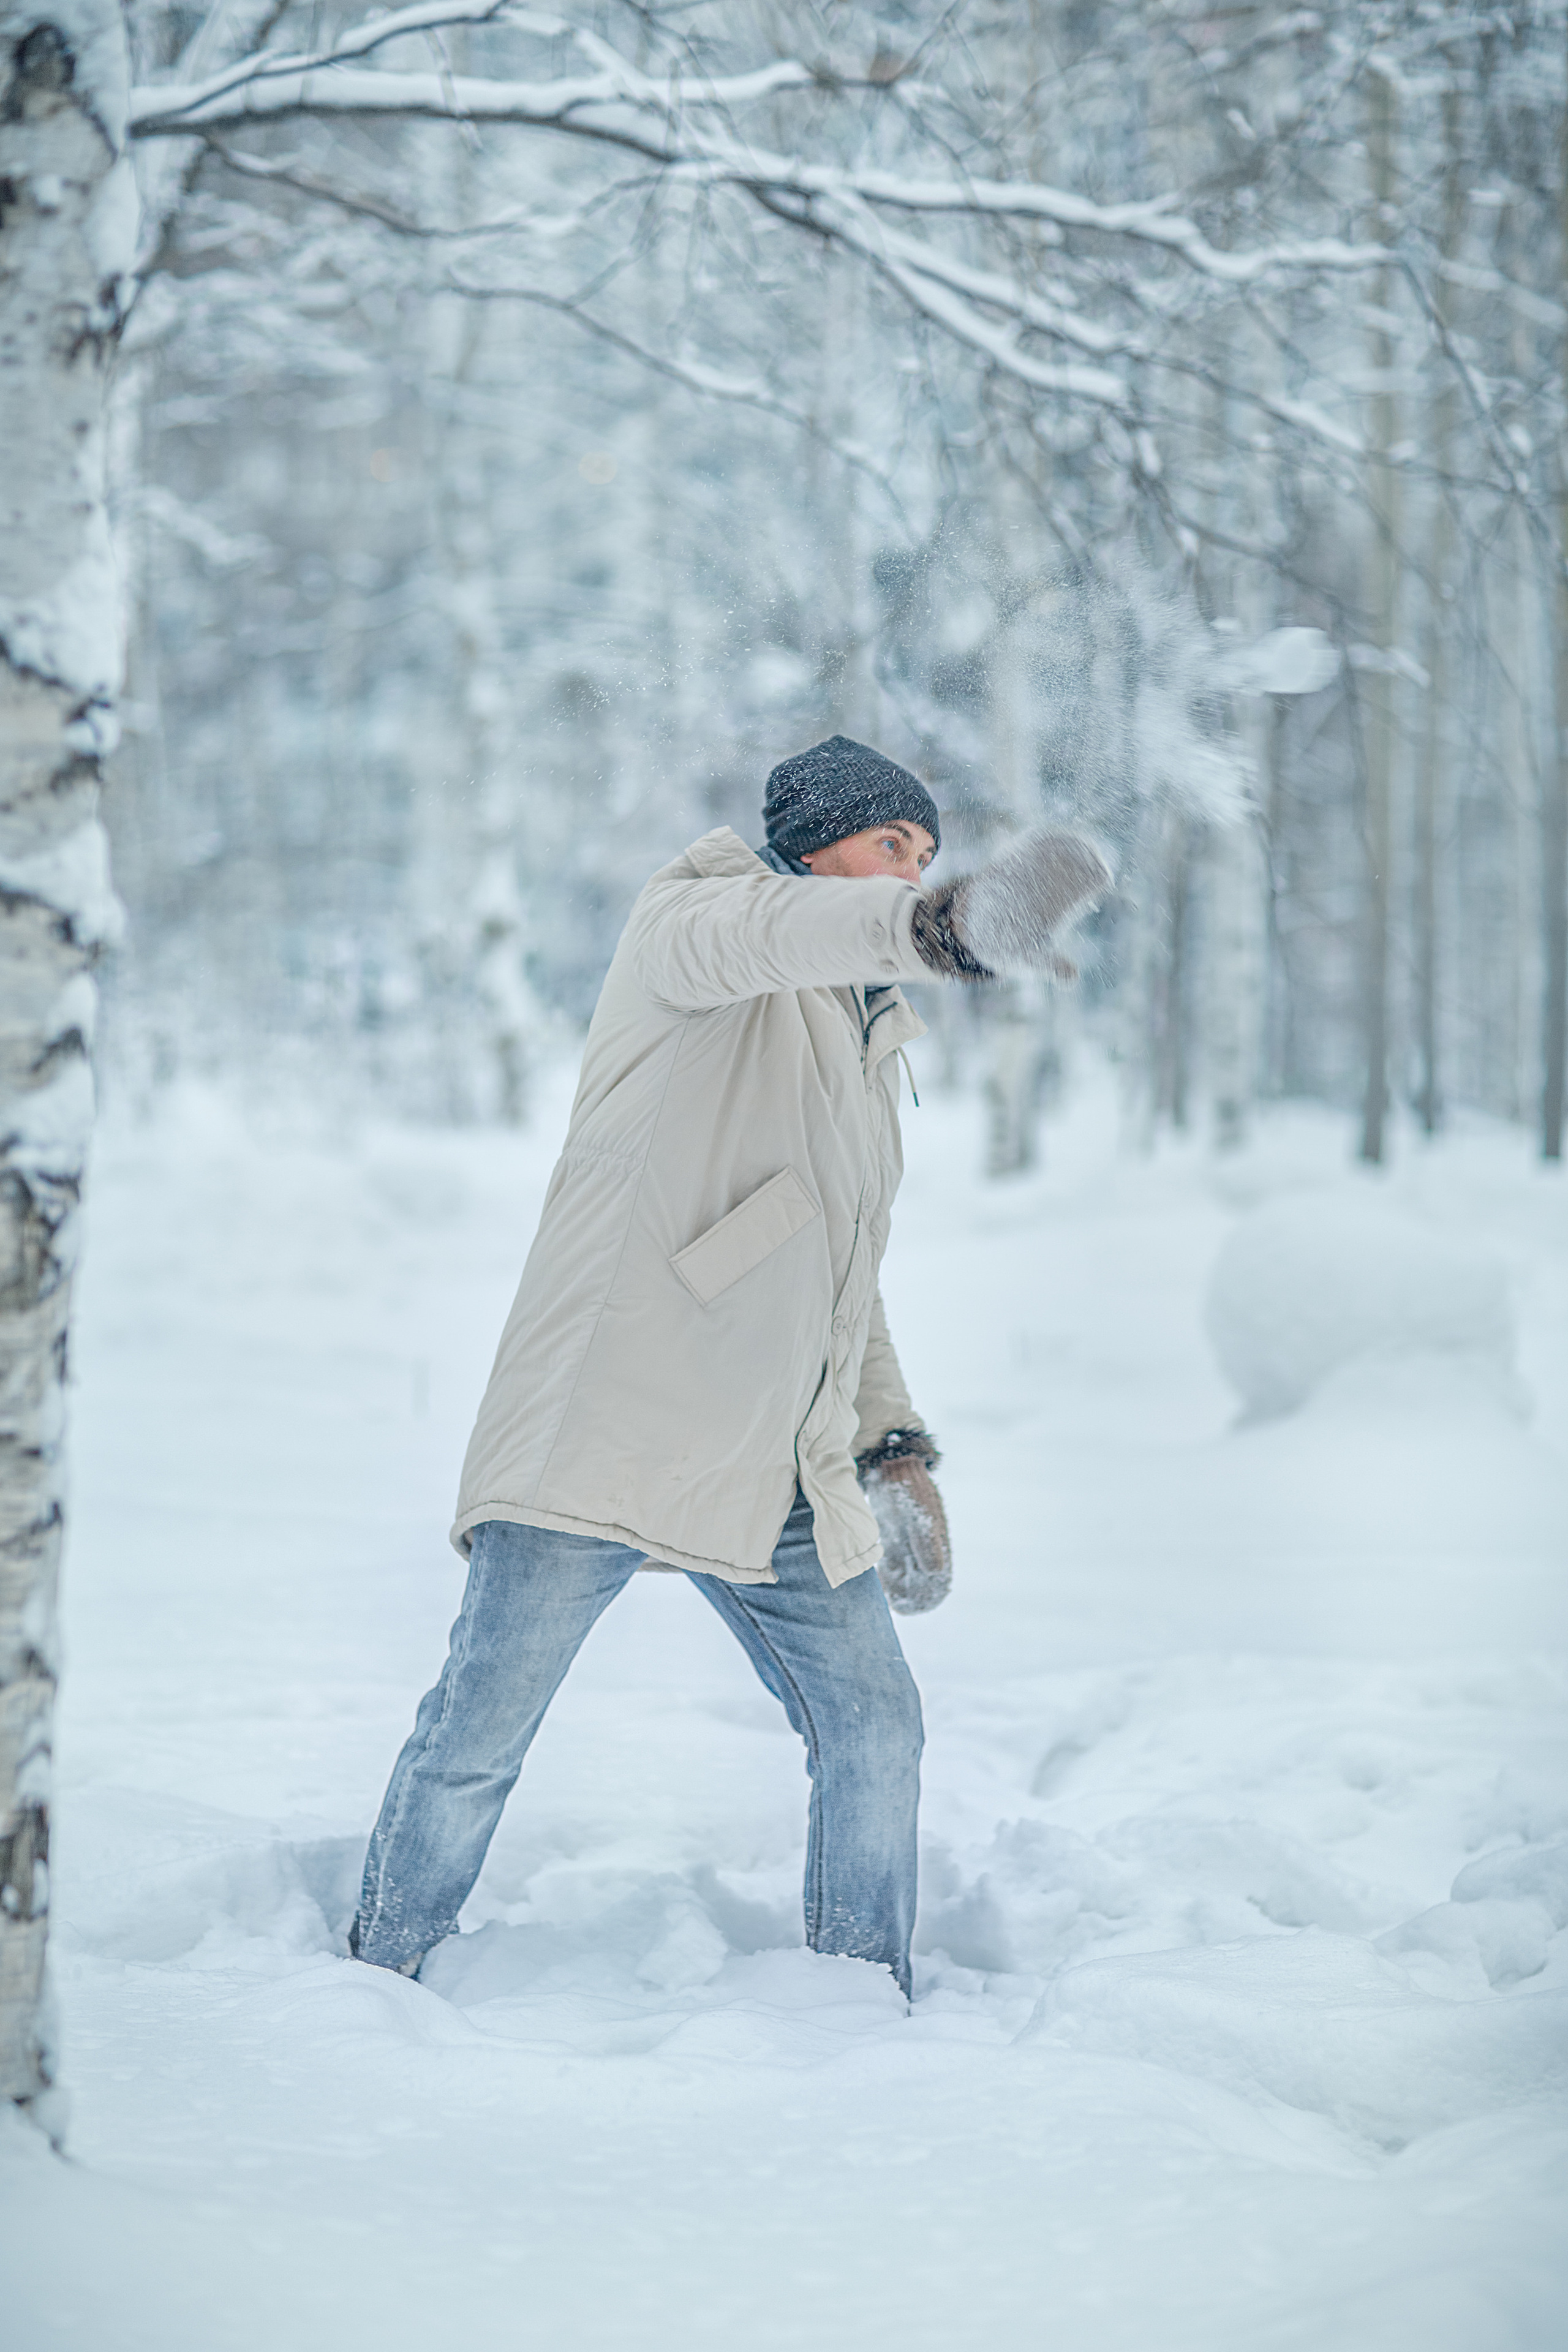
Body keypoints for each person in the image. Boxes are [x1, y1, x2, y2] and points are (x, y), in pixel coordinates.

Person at [350, 736, 1110, 1999]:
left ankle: (858, 1998)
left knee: (874, 1727)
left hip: (776, 1462)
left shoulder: (866, 1033)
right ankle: (374, 1976)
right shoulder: (692, 924)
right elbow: (780, 933)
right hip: (608, 1425)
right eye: (891, 844)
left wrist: (890, 1445)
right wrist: (944, 923)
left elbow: (836, 1271)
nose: (910, 866)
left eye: (928, 855)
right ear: (813, 841)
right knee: (478, 1733)